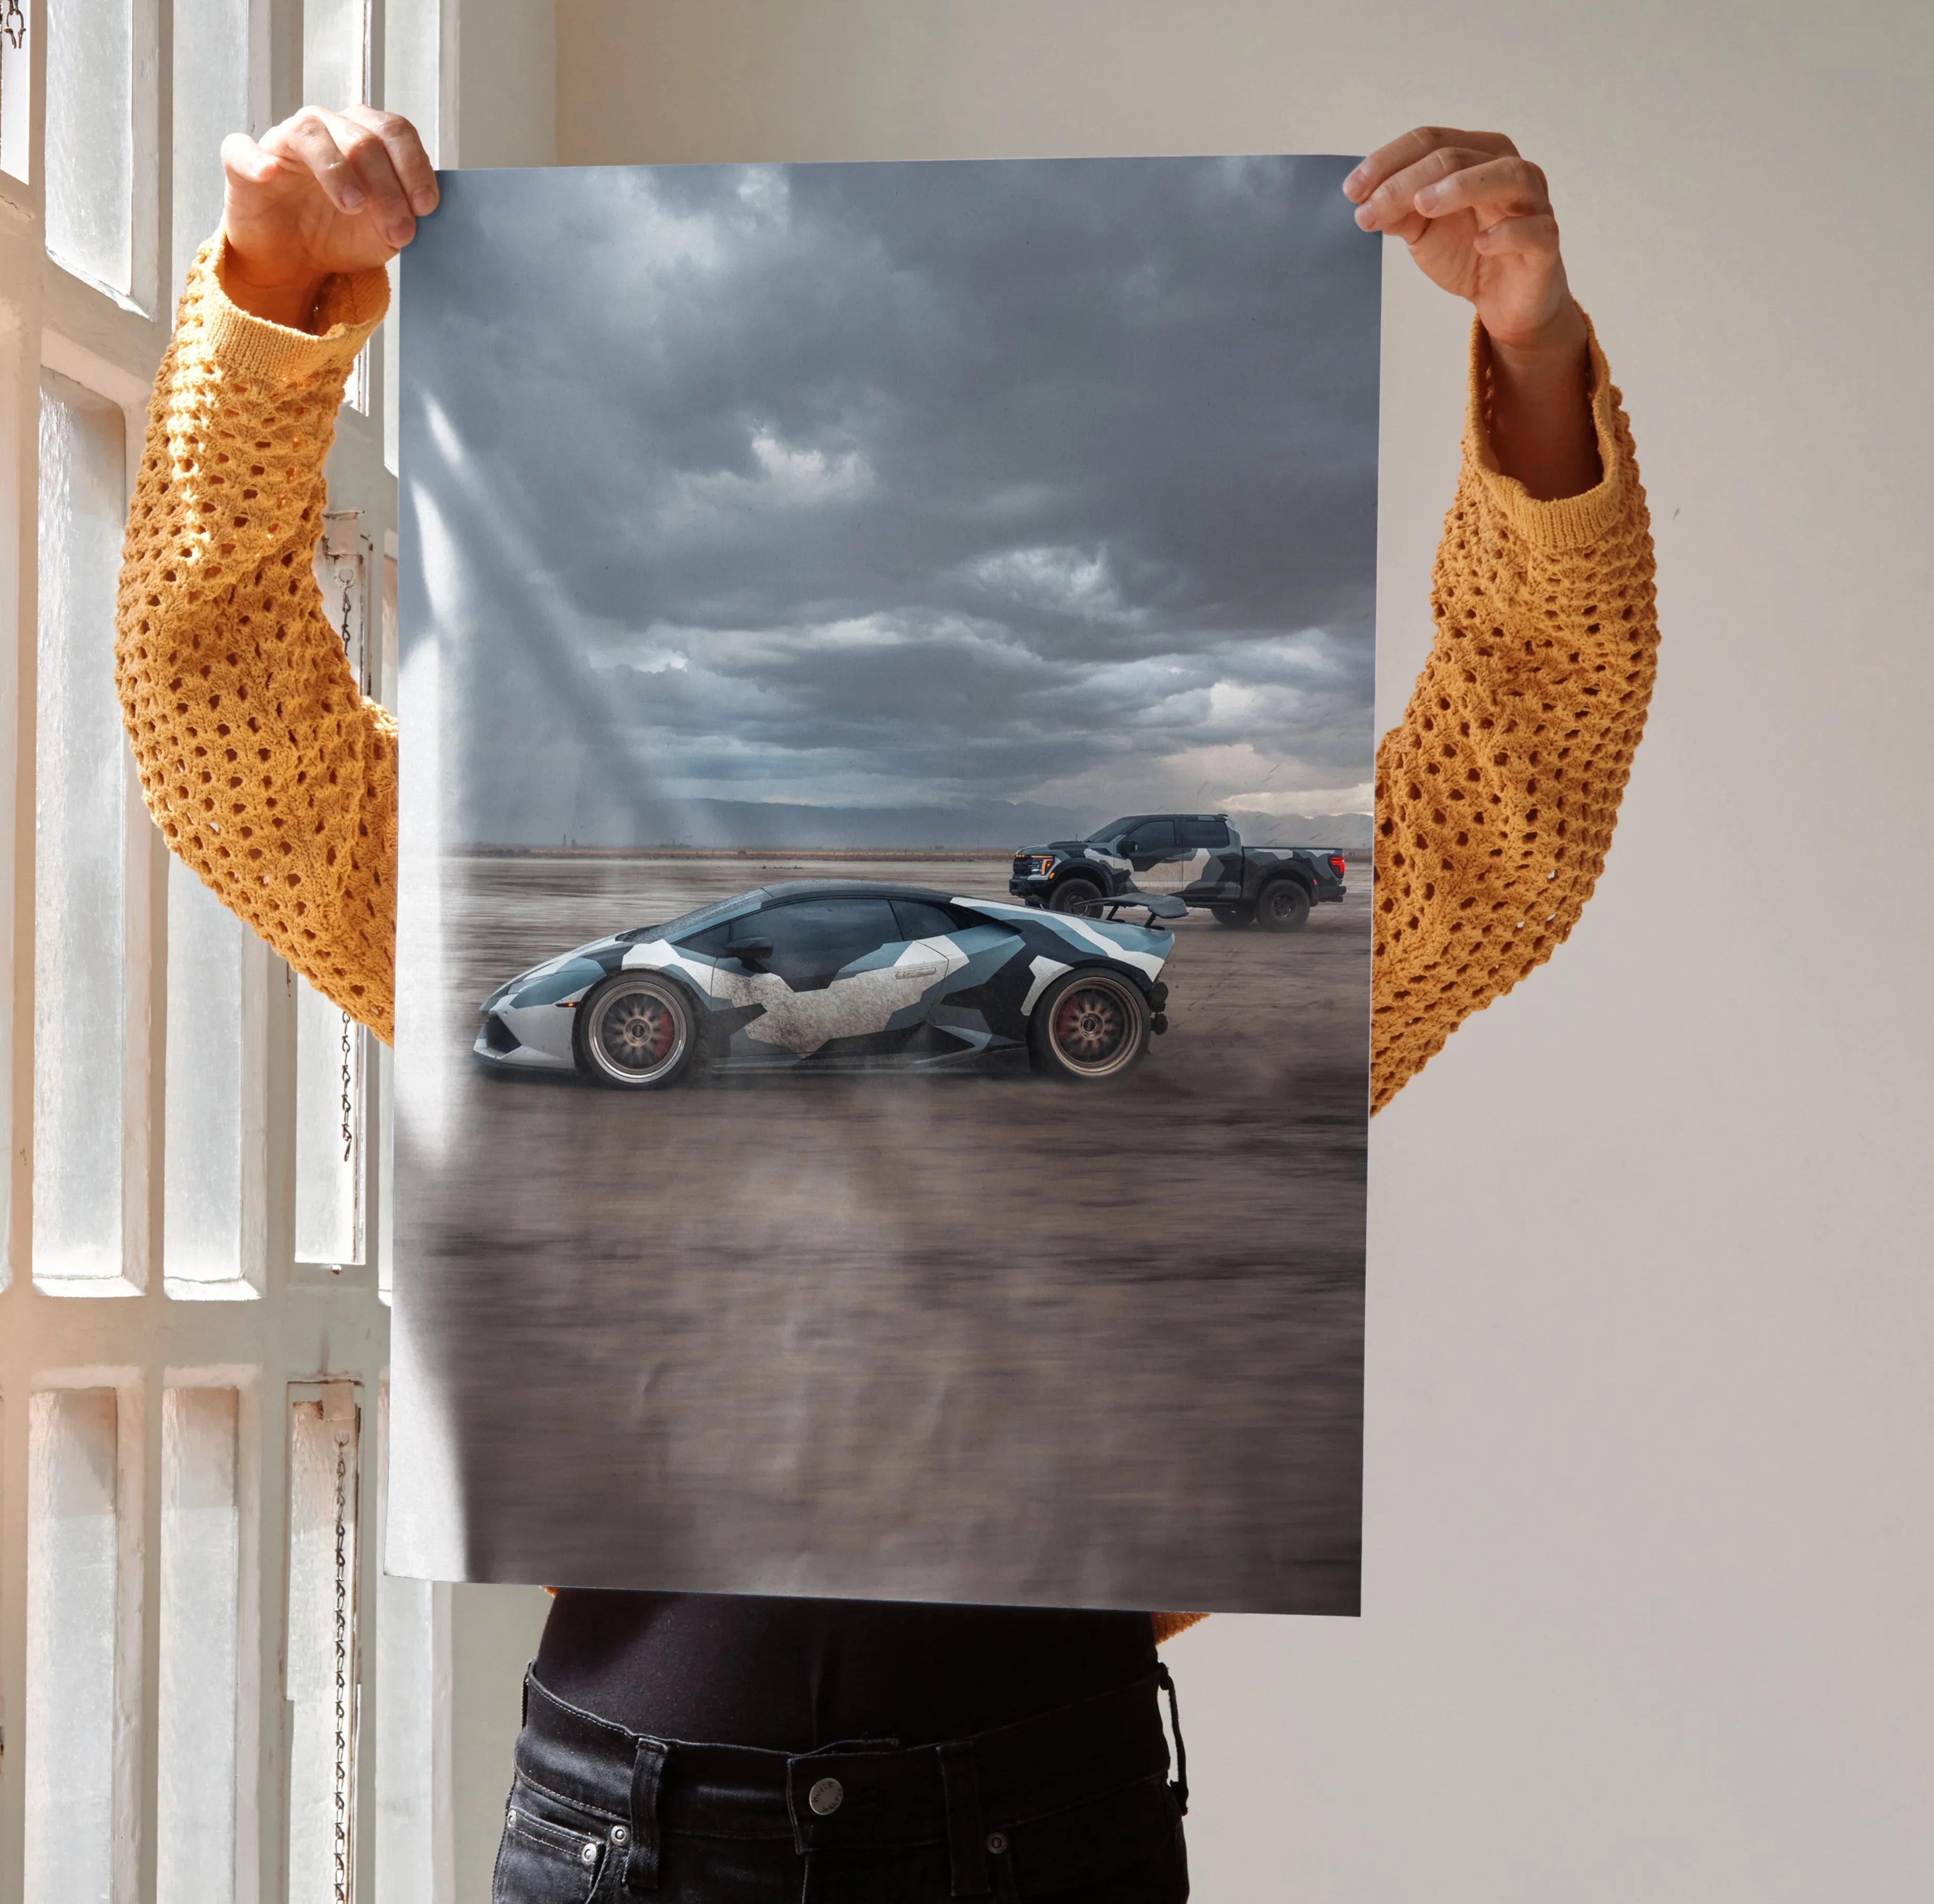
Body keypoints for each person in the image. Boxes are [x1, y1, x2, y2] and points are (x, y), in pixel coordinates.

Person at [116, 111, 1656, 1902]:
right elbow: (220, 725)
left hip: (1036, 1813)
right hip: (635, 1827)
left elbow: (1513, 807)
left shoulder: (1149, 1016)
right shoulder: (497, 928)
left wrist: (1533, 357)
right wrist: (269, 301)